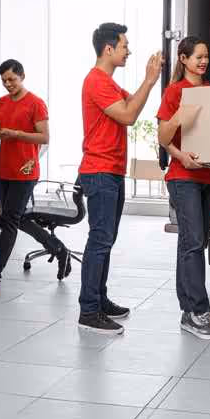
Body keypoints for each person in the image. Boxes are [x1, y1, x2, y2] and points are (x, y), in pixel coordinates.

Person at [77, 22, 163, 335]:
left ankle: (99, 299)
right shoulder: (97, 81)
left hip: (111, 171)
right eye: (125, 46)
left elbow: (133, 106)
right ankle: (89, 310)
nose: (129, 51)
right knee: (100, 240)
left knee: (106, 240)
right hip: (99, 171)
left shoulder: (110, 84)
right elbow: (127, 115)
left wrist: (151, 81)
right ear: (108, 49)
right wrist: (149, 80)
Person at [0, 59, 70, 283]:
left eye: (12, 79)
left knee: (10, 220)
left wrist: (16, 134)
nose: (8, 84)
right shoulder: (2, 103)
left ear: (22, 76)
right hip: (5, 168)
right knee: (16, 219)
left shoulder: (35, 103)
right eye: (4, 80)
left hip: (26, 169)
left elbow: (44, 137)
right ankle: (58, 248)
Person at [157, 36, 210, 340]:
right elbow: (162, 136)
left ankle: (188, 311)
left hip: (208, 177)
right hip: (183, 175)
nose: (203, 61)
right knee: (194, 241)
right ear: (183, 59)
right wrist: (182, 153)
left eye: (206, 56)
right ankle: (198, 309)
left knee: (194, 243)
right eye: (198, 56)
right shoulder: (174, 92)